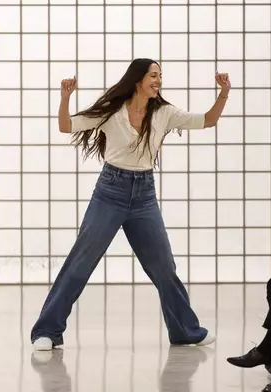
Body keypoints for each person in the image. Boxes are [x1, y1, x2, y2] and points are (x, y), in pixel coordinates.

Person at [30, 58, 231, 351]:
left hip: (144, 196)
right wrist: (65, 99)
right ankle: (46, 331)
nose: (158, 80)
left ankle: (185, 331)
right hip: (110, 192)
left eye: (160, 75)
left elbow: (207, 120)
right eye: (153, 75)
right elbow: (66, 126)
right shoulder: (112, 111)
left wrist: (223, 93)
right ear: (138, 80)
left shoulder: (164, 112)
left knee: (164, 266)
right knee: (80, 262)